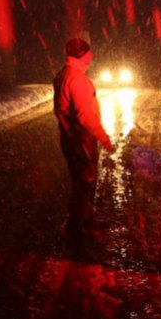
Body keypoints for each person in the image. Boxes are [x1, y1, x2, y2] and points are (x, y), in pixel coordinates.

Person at [53, 36, 115, 253]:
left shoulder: (63, 75)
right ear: (81, 55)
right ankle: (79, 228)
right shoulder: (77, 80)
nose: (92, 55)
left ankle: (83, 222)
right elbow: (86, 116)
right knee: (85, 182)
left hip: (70, 137)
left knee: (81, 181)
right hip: (81, 138)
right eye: (89, 52)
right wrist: (104, 138)